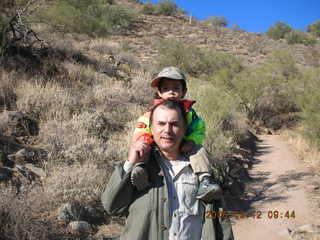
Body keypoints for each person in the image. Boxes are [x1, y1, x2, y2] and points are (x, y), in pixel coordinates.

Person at [101, 100, 234, 240]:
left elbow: (219, 217)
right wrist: (130, 162)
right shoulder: (140, 168)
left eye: (174, 124)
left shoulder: (200, 169)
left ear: (184, 129)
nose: (167, 130)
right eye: (161, 124)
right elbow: (112, 206)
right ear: (151, 128)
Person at [131, 66, 221, 201]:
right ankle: (140, 170)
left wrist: (192, 141)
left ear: (183, 91)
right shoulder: (153, 112)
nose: (171, 92)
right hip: (157, 145)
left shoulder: (190, 113)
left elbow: (199, 128)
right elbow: (142, 127)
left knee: (199, 150)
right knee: (143, 148)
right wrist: (143, 140)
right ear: (159, 92)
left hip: (184, 145)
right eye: (166, 88)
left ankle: (205, 180)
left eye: (176, 88)